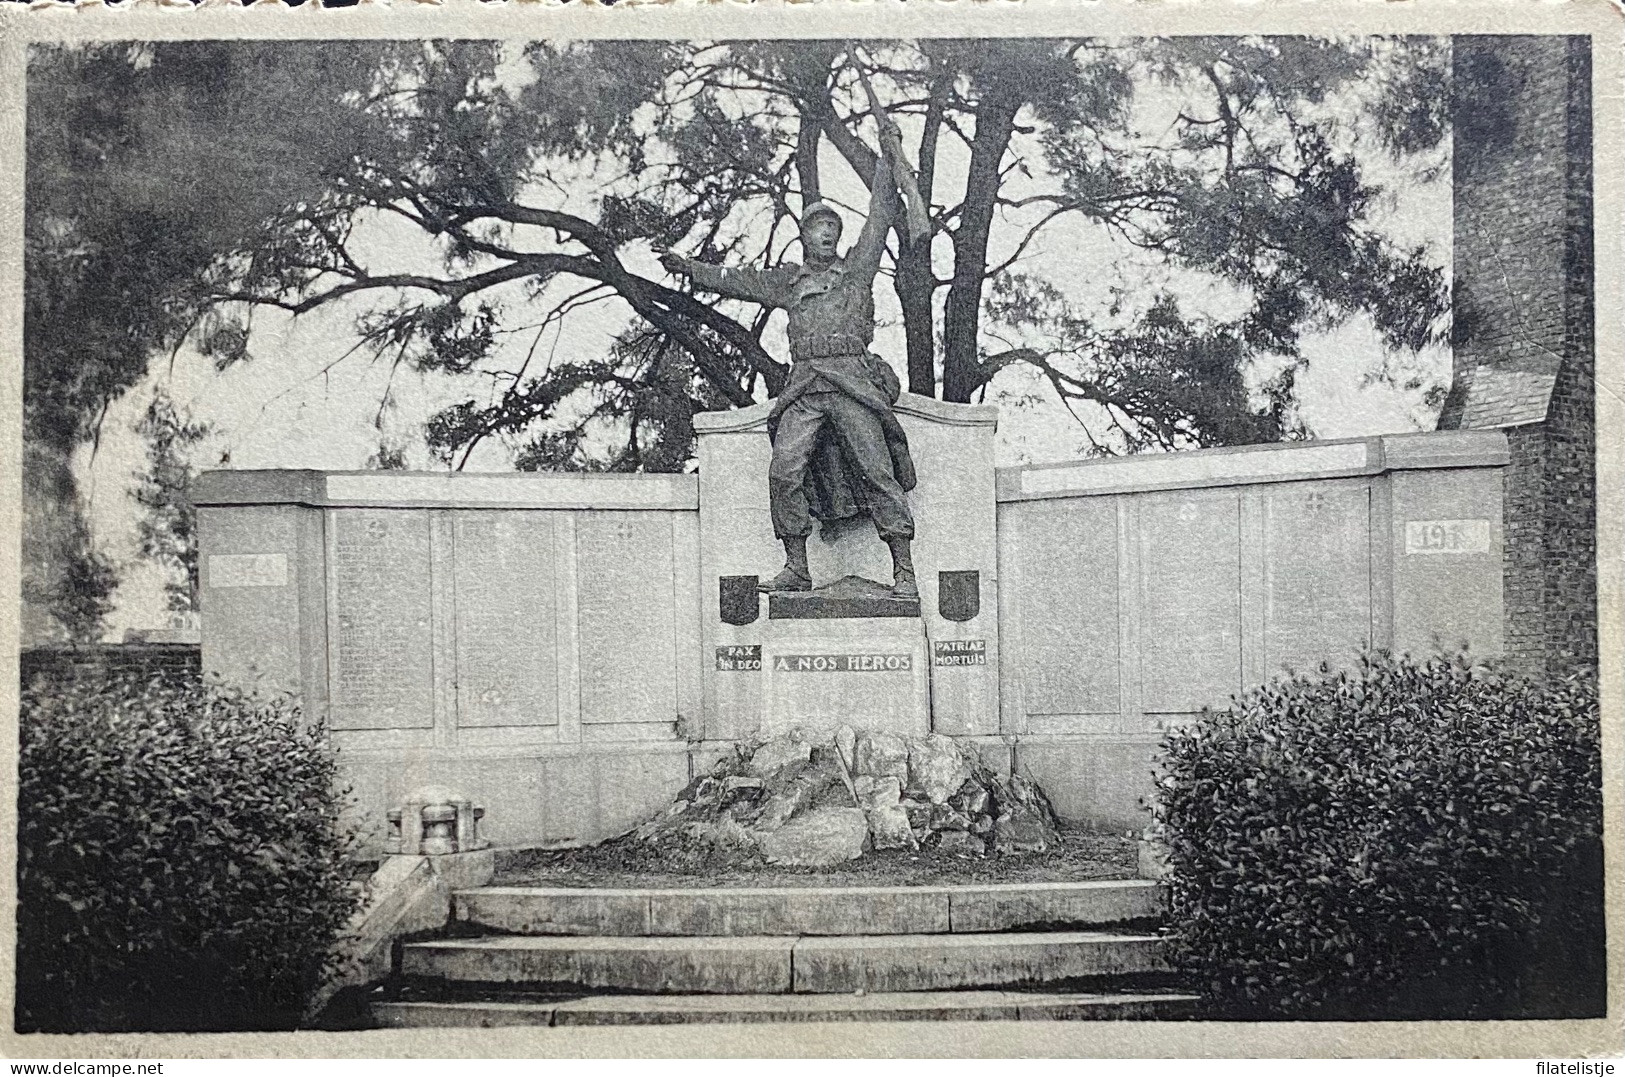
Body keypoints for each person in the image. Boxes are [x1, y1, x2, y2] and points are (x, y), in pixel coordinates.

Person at [659, 153, 919, 600]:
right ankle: (796, 568)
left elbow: (879, 215)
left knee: (878, 471)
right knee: (783, 471)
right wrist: (689, 268)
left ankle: (904, 571)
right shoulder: (788, 281)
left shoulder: (856, 271)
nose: (827, 235)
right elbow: (734, 279)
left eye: (833, 229)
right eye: (818, 228)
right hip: (803, 385)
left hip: (850, 379)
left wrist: (884, 162)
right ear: (804, 235)